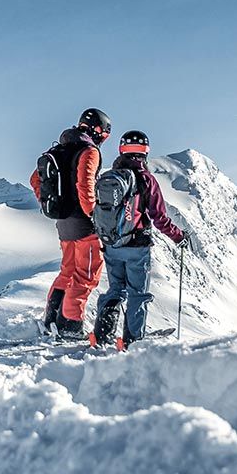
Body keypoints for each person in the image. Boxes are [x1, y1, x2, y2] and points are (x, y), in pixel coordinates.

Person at [90, 129, 185, 350]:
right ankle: (131, 341)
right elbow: (159, 217)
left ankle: (101, 336)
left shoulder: (110, 178)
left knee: (115, 290)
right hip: (136, 248)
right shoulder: (146, 179)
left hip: (112, 244)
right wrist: (178, 237)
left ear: (122, 150)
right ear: (145, 152)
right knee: (137, 294)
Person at [30, 107, 111, 339]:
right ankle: (70, 326)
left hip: (63, 224)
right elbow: (85, 186)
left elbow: (35, 178)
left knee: (67, 272)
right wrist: (95, 216)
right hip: (85, 225)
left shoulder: (60, 148)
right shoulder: (90, 151)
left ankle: (51, 319)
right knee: (85, 276)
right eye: (104, 135)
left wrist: (51, 204)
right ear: (98, 131)